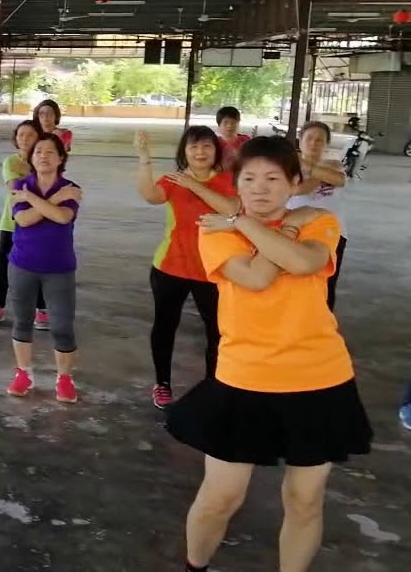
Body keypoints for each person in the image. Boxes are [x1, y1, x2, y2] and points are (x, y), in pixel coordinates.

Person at [167, 135, 372, 572]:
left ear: (295, 182)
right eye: (249, 179)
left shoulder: (323, 221)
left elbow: (303, 264)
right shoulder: (214, 230)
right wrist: (277, 227)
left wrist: (251, 225)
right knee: (220, 497)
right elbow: (259, 277)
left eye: (274, 178)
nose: (260, 188)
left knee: (304, 500)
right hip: (245, 378)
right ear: (235, 185)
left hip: (319, 376)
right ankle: (194, 567)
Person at [135, 126, 238, 409]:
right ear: (184, 151)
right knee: (165, 326)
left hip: (213, 269)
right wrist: (144, 158)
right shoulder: (172, 180)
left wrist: (194, 184)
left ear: (216, 151)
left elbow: (232, 208)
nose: (200, 152)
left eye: (206, 146)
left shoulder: (228, 180)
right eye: (193, 147)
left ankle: (213, 385)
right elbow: (150, 195)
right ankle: (162, 383)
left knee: (216, 331)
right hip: (170, 266)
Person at [5, 133, 82, 403]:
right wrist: (56, 199)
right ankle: (24, 373)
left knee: (62, 326)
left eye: (50, 152)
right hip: (23, 264)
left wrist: (36, 199)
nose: (43, 156)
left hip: (59, 267)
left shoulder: (72, 187)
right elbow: (23, 220)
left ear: (61, 158)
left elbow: (62, 217)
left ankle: (64, 379)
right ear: (31, 157)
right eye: (38, 151)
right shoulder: (20, 184)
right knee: (22, 321)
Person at [0, 121, 43, 328]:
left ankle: (41, 309)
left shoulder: (43, 159)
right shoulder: (11, 161)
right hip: (11, 222)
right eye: (21, 135)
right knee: (3, 266)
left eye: (30, 135)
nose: (25, 139)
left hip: (39, 221)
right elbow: (15, 187)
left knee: (40, 265)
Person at [289, 121, 348, 311]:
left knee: (326, 283)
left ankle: (323, 327)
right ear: (300, 141)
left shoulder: (335, 165)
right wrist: (318, 172)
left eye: (320, 140)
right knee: (293, 281)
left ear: (327, 144)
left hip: (331, 233)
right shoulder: (288, 167)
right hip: (294, 230)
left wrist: (307, 166)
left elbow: (338, 179)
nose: (314, 143)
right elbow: (298, 189)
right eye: (309, 139)